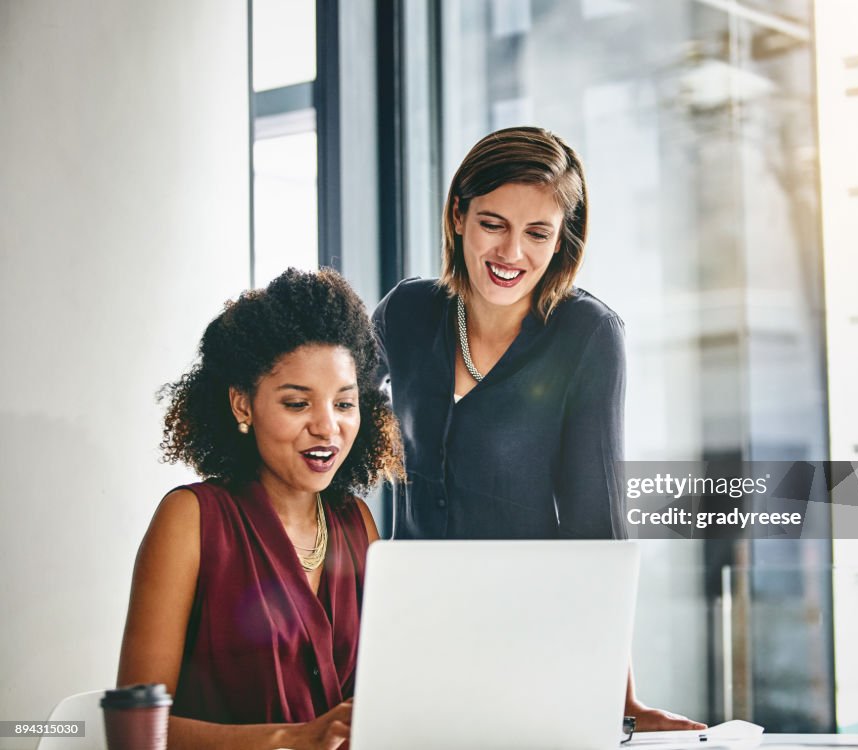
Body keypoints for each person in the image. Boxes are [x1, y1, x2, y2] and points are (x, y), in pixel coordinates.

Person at [374, 126, 706, 730]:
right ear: (458, 216)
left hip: (533, 640)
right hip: (412, 632)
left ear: (561, 240)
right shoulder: (406, 312)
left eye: (537, 233)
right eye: (493, 224)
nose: (512, 253)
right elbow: (334, 421)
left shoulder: (587, 335)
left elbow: (595, 524)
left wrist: (621, 698)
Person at [117, 268, 404, 750]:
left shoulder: (357, 524)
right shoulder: (191, 520)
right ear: (242, 406)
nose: (327, 427)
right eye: (297, 404)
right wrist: (293, 739)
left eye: (344, 404)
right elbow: (133, 731)